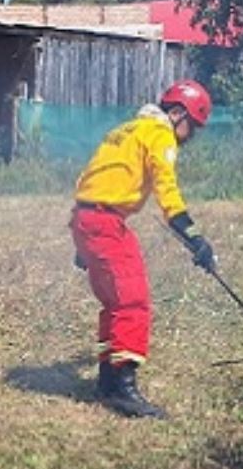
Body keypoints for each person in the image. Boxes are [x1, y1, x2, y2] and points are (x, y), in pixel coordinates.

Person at [69, 80, 215, 419]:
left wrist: (82, 240)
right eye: (190, 127)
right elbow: (168, 191)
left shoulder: (127, 129)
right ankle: (124, 389)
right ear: (177, 113)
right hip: (105, 223)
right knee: (133, 301)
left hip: (85, 217)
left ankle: (107, 382)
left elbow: (90, 176)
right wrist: (196, 239)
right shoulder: (160, 134)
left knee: (114, 303)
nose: (188, 136)